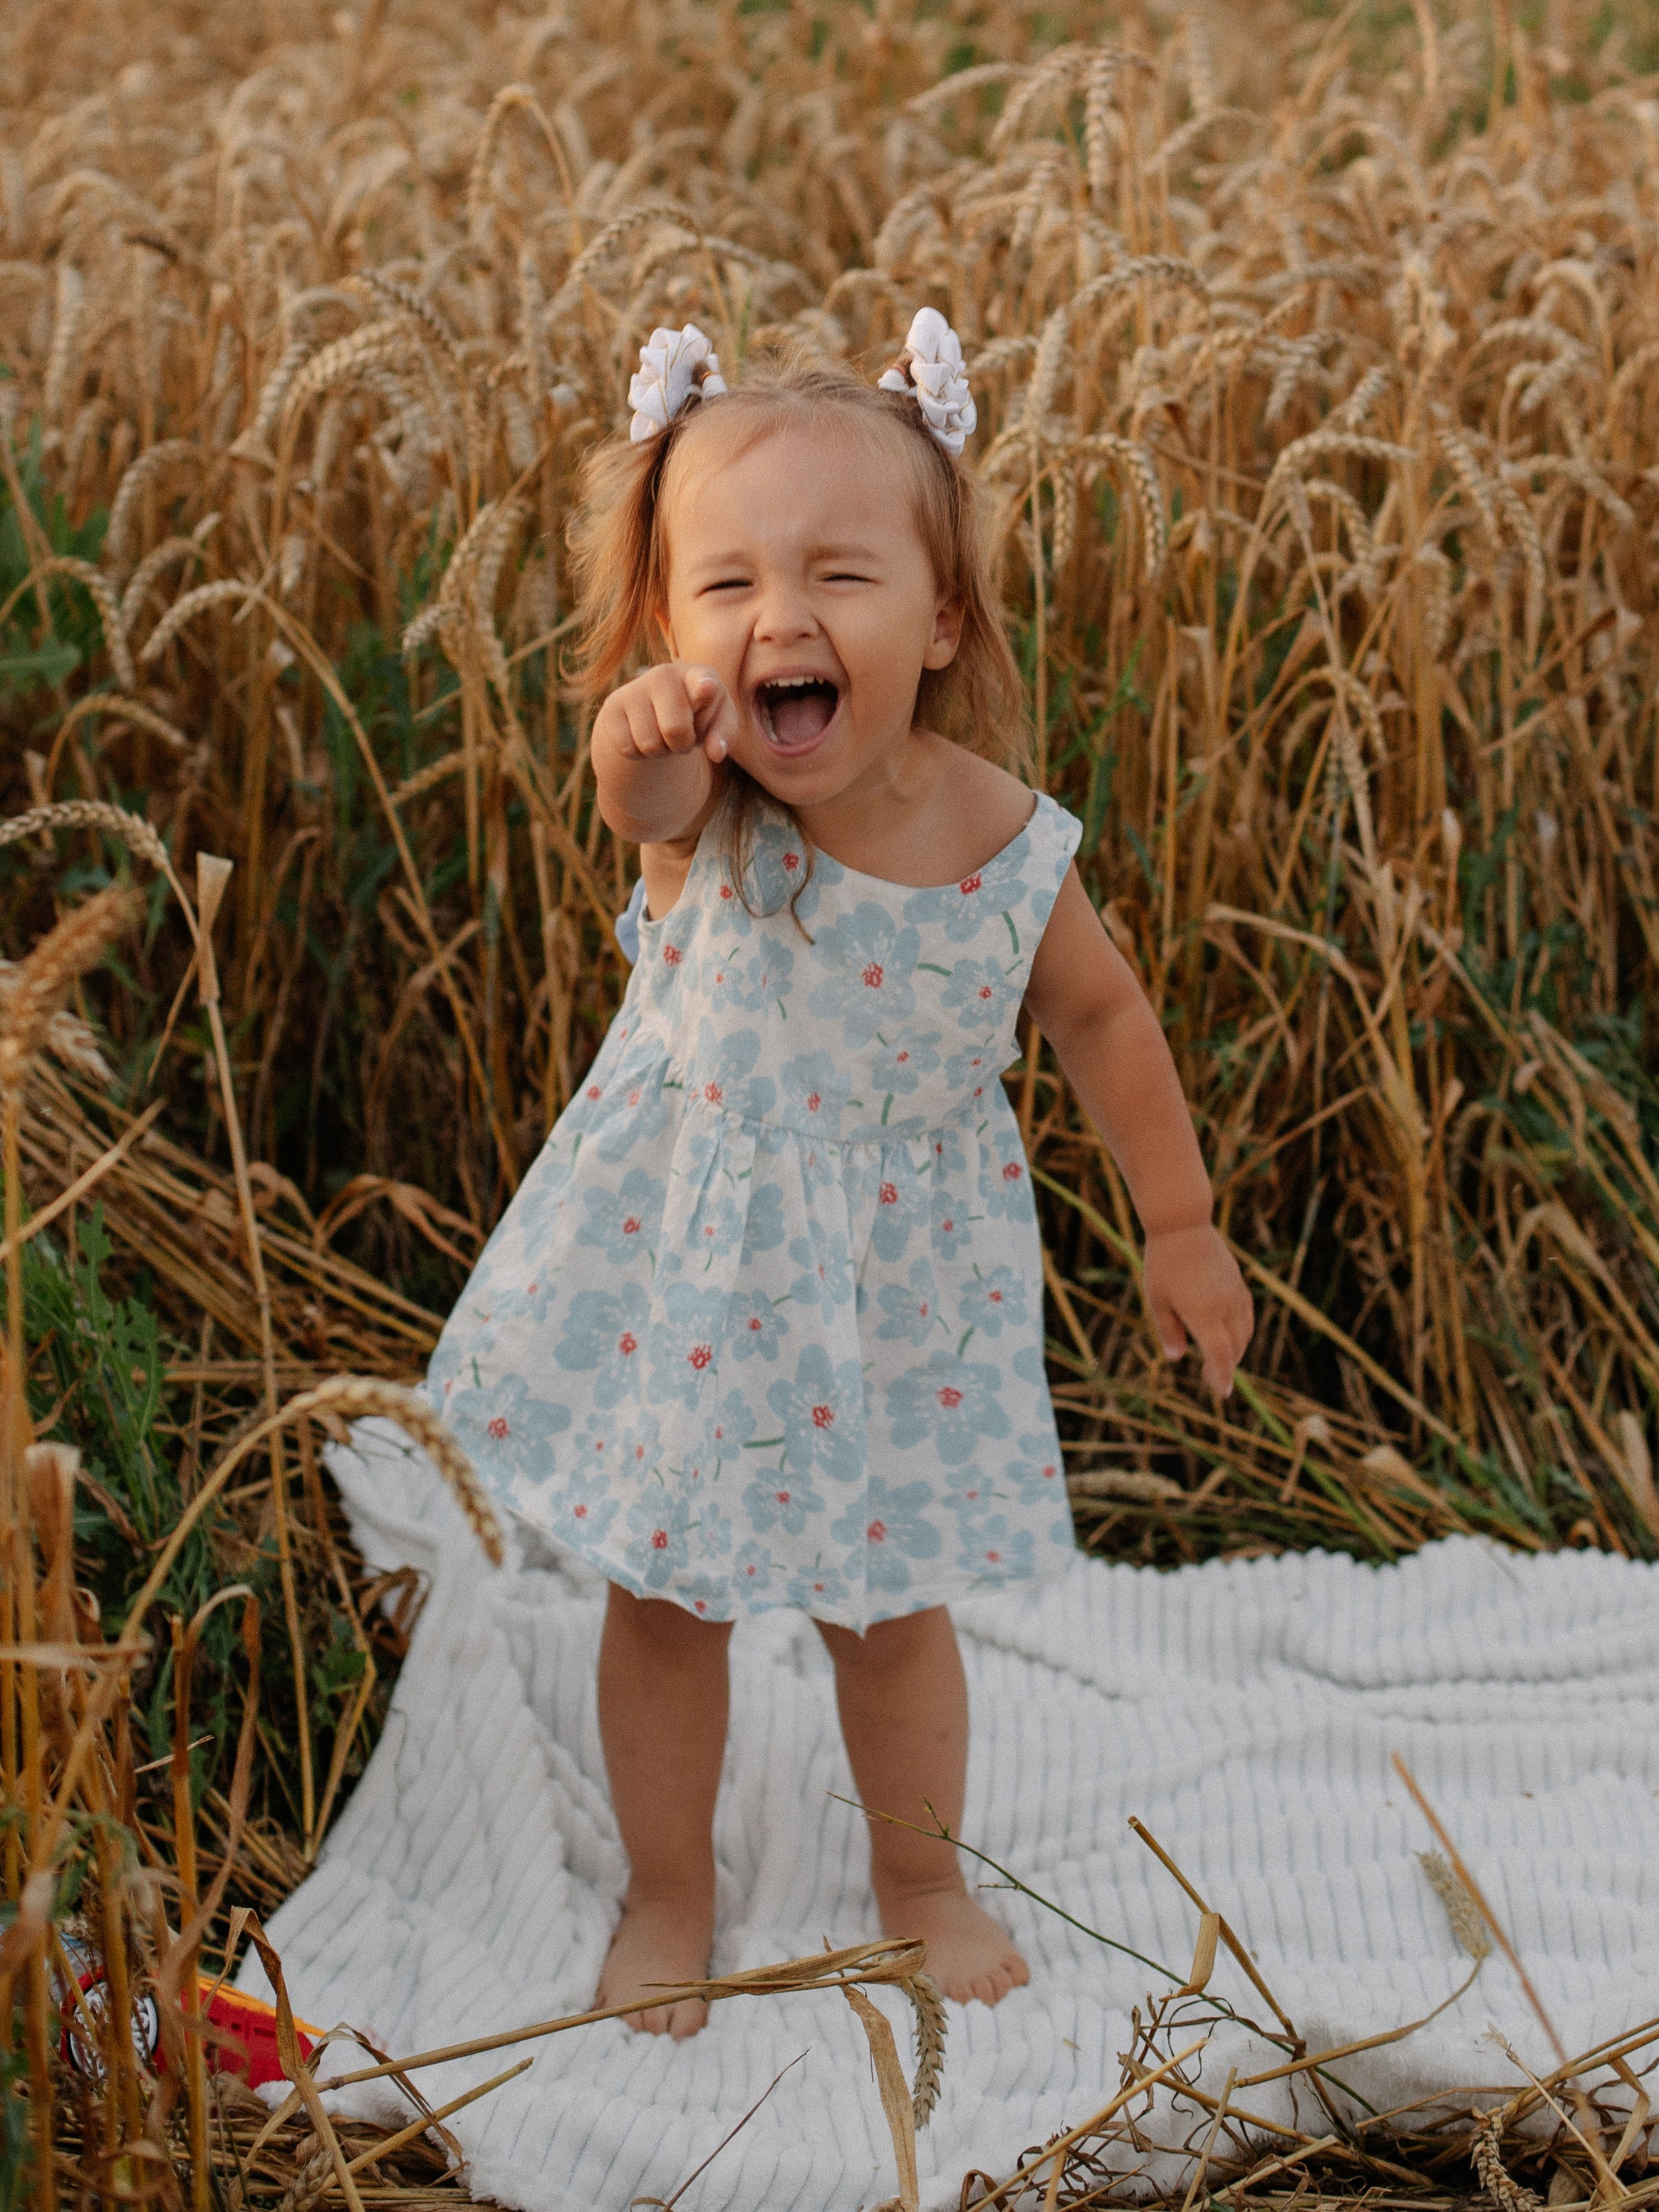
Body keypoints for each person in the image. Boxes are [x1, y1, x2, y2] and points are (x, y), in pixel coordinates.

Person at [422, 311, 1252, 2036]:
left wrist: (1178, 1227)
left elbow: (1101, 1015)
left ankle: (920, 1881)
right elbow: (629, 791)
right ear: (663, 624)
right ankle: (669, 1889)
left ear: (939, 618)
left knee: (893, 1613)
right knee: (667, 1601)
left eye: (837, 578)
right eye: (719, 588)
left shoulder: (1003, 839)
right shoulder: (704, 799)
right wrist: (643, 724)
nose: (775, 622)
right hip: (699, 1272)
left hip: (904, 1283)